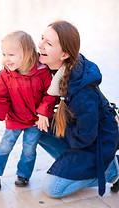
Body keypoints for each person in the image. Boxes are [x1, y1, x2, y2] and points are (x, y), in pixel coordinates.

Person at [37, 20, 119, 198]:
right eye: (42, 38)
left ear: (65, 54)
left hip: (96, 143)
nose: (40, 45)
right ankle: (74, 166)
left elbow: (85, 136)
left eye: (48, 43)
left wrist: (52, 125)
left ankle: (111, 170)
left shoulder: (81, 93)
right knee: (37, 128)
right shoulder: (55, 70)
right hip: (80, 134)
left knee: (53, 189)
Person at [0, 30, 57, 190]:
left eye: (11, 54)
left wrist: (43, 113)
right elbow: (1, 98)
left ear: (26, 53)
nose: (6, 59)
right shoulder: (5, 75)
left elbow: (50, 95)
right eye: (4, 54)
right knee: (5, 146)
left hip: (34, 120)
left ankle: (23, 174)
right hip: (15, 118)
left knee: (29, 149)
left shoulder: (42, 72)